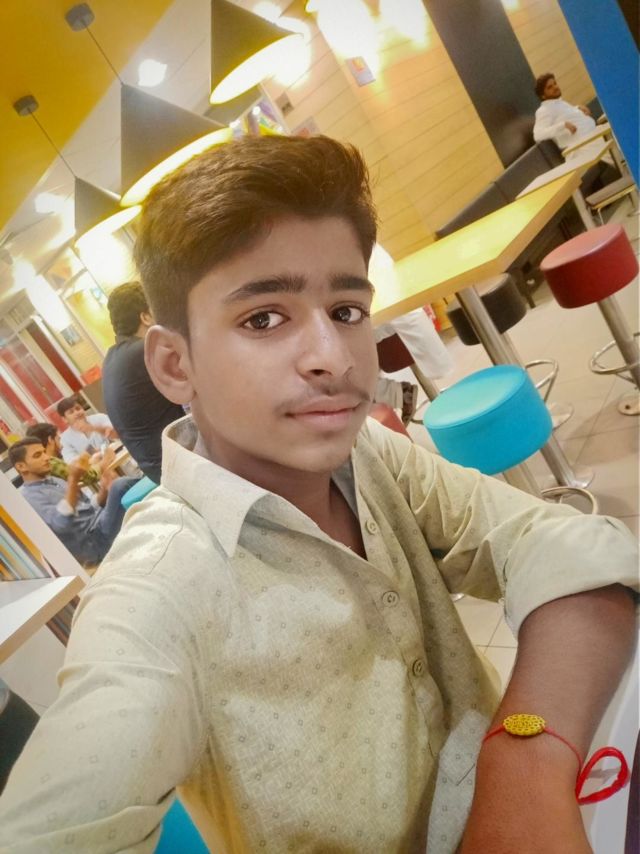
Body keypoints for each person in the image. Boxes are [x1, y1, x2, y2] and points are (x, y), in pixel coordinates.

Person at [0, 135, 636, 854]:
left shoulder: (369, 455)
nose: (332, 359)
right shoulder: (156, 594)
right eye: (263, 318)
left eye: (346, 310)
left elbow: (572, 543)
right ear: (175, 365)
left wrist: (523, 762)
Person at [102, 282, 185, 484]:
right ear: (146, 317)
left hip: (158, 468)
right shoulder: (144, 351)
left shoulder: (113, 359)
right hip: (180, 465)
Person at [8, 437, 137, 567]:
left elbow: (87, 506)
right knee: (120, 486)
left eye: (44, 452)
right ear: (21, 466)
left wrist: (104, 491)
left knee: (117, 487)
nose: (46, 458)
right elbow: (61, 524)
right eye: (38, 455)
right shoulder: (28, 497)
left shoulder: (54, 480)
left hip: (98, 523)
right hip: (94, 543)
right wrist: (73, 479)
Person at [532, 73, 610, 162]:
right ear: (543, 95)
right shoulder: (544, 110)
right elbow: (538, 135)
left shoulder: (559, 103)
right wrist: (563, 125)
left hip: (594, 135)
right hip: (583, 147)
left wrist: (578, 108)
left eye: (555, 83)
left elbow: (564, 115)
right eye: (550, 87)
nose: (555, 87)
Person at [25, 422, 99, 487]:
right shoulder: (52, 463)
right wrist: (101, 461)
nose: (62, 446)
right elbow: (89, 477)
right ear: (50, 440)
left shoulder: (42, 465)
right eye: (58, 439)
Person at [57, 394, 117, 462]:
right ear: (64, 419)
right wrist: (91, 453)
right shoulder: (64, 439)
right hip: (96, 467)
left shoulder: (99, 417)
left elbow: (117, 432)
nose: (77, 413)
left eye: (78, 408)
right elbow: (70, 460)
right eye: (71, 412)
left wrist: (93, 428)